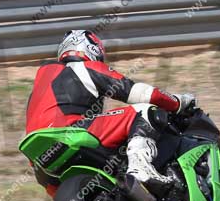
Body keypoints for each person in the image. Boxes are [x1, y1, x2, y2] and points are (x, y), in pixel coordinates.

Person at [25, 29, 195, 189]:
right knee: (144, 110)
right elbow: (142, 93)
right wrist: (178, 102)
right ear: (92, 49)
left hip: (40, 159)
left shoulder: (37, 92)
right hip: (71, 131)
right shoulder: (85, 67)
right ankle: (140, 167)